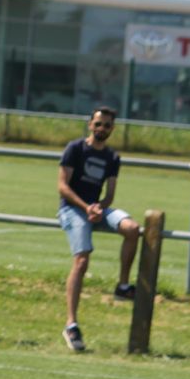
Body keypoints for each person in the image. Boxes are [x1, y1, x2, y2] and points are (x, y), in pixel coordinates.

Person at [56, 106, 141, 352]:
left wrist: (99, 207)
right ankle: (71, 325)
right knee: (82, 260)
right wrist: (86, 207)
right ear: (90, 125)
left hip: (96, 209)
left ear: (112, 129)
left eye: (107, 125)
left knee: (132, 228)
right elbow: (63, 187)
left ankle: (122, 287)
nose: (102, 128)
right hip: (72, 209)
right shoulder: (75, 148)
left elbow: (110, 194)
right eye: (98, 124)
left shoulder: (112, 157)